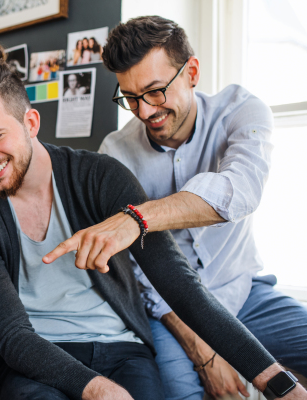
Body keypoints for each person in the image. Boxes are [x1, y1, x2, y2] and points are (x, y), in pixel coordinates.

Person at [0, 42, 306, 400]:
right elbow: (12, 336)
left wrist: (276, 381)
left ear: (31, 122)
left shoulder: (101, 176)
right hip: (37, 359)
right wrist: (96, 389)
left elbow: (179, 284)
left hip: (121, 349)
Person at [98, 16, 307, 400]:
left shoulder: (241, 111)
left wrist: (140, 219)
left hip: (244, 292)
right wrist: (204, 351)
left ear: (191, 71)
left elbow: (239, 191)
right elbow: (141, 275)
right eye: (130, 98)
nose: (144, 111)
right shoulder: (115, 152)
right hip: (170, 311)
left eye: (155, 91)